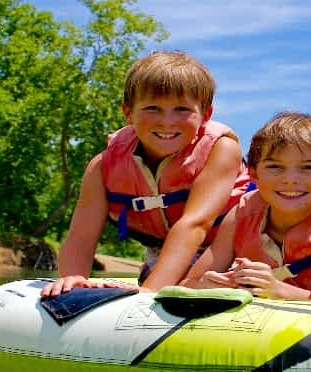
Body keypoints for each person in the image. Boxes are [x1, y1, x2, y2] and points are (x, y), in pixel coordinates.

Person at [41, 51, 251, 297]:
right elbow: (81, 237)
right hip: (167, 255)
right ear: (127, 112)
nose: (167, 122)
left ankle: (190, 283)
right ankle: (172, 280)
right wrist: (72, 279)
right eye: (153, 108)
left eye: (182, 109)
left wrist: (148, 292)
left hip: (236, 251)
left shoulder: (221, 150)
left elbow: (195, 224)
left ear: (206, 115)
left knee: (223, 239)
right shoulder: (102, 166)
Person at [181, 112, 311, 300]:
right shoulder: (242, 213)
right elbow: (189, 284)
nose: (290, 180)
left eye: (309, 167)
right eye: (275, 167)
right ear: (253, 174)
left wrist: (282, 292)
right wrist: (208, 285)